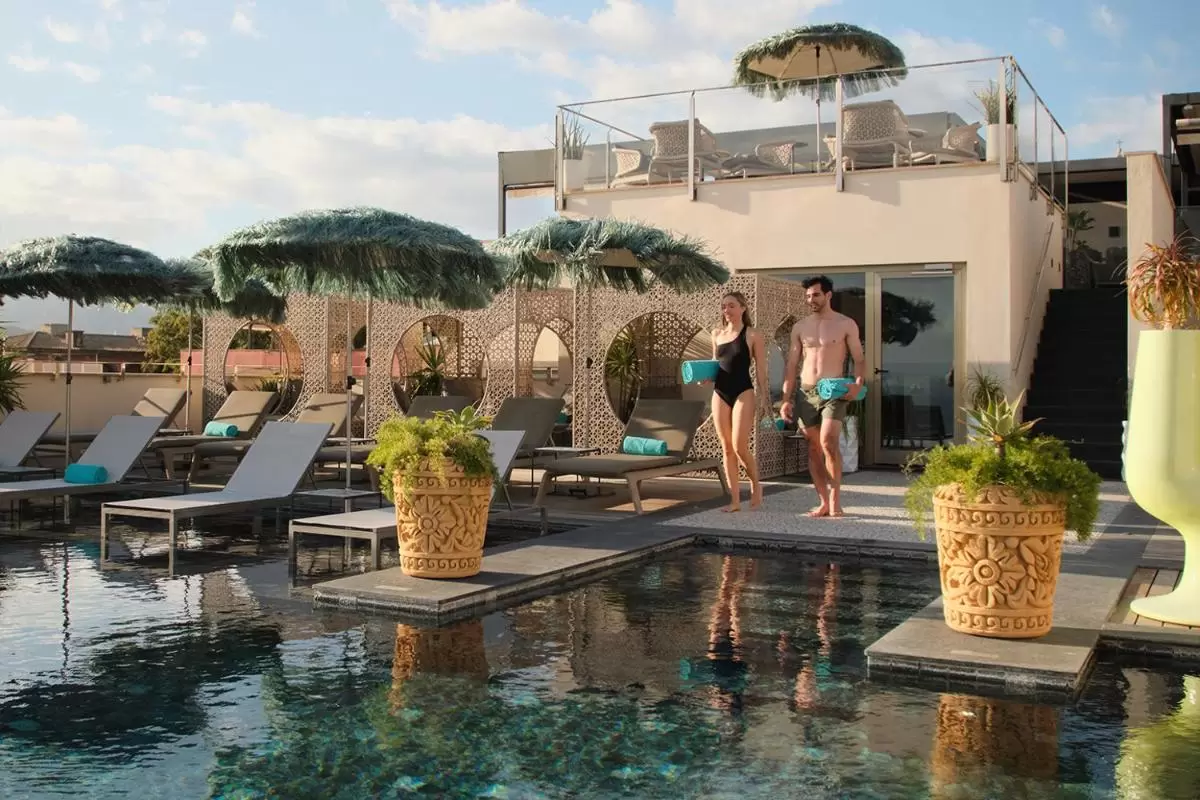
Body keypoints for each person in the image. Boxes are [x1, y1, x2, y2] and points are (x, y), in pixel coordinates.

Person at [780, 276, 865, 518]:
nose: (811, 300)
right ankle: (823, 501)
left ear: (828, 295)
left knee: (828, 442)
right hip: (807, 392)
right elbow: (792, 364)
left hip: (834, 391)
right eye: (808, 296)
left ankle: (836, 500)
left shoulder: (846, 324)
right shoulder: (800, 327)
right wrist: (786, 398)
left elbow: (859, 359)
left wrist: (858, 384)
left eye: (816, 295)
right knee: (814, 447)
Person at [708, 292, 769, 512]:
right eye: (724, 307)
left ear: (743, 308)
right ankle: (734, 500)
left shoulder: (752, 335)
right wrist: (704, 377)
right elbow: (715, 365)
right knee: (726, 449)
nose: (727, 310)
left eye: (731, 306)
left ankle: (755, 484)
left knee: (739, 446)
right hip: (720, 392)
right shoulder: (716, 334)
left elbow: (761, 370)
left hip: (743, 391)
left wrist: (765, 399)